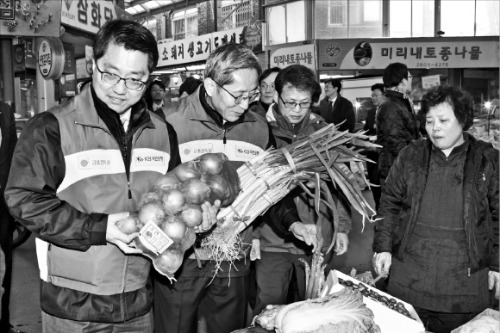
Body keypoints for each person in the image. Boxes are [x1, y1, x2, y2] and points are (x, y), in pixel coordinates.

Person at [4, 19, 221, 333]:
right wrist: (102, 228)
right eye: (110, 74)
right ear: (93, 65)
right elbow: (24, 200)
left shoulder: (161, 132)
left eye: (135, 79)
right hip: (73, 306)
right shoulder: (52, 128)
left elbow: (174, 200)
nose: (121, 89)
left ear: (149, 79)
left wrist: (196, 219)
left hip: (137, 303)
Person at [155, 43, 317, 333]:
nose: (245, 105)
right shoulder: (169, 122)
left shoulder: (256, 129)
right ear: (210, 85)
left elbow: (271, 190)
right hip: (182, 259)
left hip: (233, 256)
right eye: (238, 95)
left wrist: (294, 225)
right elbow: (155, 193)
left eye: (252, 95)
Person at [372, 85, 499, 333]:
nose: (435, 127)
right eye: (429, 121)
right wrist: (383, 247)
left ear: (462, 120)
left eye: (443, 120)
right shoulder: (411, 155)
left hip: (464, 280)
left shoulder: (487, 160)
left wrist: (497, 264)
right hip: (410, 272)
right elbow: (389, 203)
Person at [252, 64, 352, 317]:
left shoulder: (322, 132)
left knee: (310, 309)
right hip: (271, 239)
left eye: (304, 104)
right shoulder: (258, 130)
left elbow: (339, 184)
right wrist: (251, 234)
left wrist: (341, 227)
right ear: (276, 96)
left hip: (316, 237)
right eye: (290, 102)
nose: (296, 110)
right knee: (269, 307)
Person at [375, 62, 419, 190]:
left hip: (399, 168)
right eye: (410, 77)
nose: (411, 80)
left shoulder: (399, 102)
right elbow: (396, 142)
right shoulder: (391, 106)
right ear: (403, 81)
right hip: (396, 171)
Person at [0, 101, 19, 333]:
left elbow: (12, 153)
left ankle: (3, 323)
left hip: (2, 204)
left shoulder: (4, 110)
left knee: (5, 266)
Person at [363, 83, 385, 210]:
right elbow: (366, 130)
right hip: (371, 154)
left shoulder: (388, 111)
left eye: (376, 95)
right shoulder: (371, 112)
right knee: (374, 184)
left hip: (383, 155)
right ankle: (377, 210)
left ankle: (385, 213)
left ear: (384, 95)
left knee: (383, 185)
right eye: (372, 95)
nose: (373, 98)